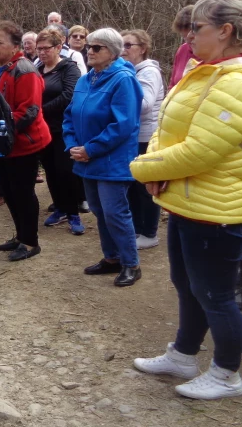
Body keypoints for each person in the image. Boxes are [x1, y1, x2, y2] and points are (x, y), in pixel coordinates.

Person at [131, 0, 242, 400]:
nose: (190, 35)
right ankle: (183, 354)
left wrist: (143, 168)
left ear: (225, 31)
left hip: (219, 209)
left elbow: (201, 150)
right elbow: (167, 126)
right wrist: (157, 166)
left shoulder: (240, 84)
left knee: (215, 294)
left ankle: (226, 373)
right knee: (186, 284)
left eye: (197, 28)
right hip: (187, 199)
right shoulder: (206, 72)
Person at [63, 28, 143, 287]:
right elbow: (69, 115)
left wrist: (91, 149)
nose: (90, 51)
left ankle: (131, 263)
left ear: (113, 52)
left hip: (111, 160)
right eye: (89, 46)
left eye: (97, 47)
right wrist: (73, 145)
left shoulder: (123, 80)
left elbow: (123, 124)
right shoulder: (86, 80)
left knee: (114, 212)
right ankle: (112, 258)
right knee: (99, 210)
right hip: (86, 158)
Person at [0, 20, 51, 261]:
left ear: (15, 46)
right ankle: (20, 235)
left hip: (24, 142)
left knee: (23, 193)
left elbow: (29, 111)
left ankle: (30, 241)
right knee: (9, 192)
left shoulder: (25, 70)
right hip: (4, 142)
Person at [36, 27, 84, 235]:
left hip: (64, 128)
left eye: (46, 48)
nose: (42, 52)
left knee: (66, 171)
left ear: (58, 47)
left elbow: (69, 95)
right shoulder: (37, 70)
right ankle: (60, 207)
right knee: (51, 170)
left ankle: (73, 213)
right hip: (43, 129)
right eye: (39, 49)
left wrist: (40, 110)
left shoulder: (69, 68)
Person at [121, 29, 165, 250]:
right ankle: (138, 229)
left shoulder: (148, 72)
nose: (123, 49)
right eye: (121, 45)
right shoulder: (131, 71)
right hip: (133, 135)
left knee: (145, 186)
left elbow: (145, 104)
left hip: (147, 136)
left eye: (129, 45)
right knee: (133, 185)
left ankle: (149, 232)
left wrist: (117, 101)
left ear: (143, 49)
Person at [169, 5, 196, 88]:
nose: (188, 41)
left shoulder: (212, 53)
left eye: (192, 38)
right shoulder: (183, 50)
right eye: (184, 37)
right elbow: (172, 84)